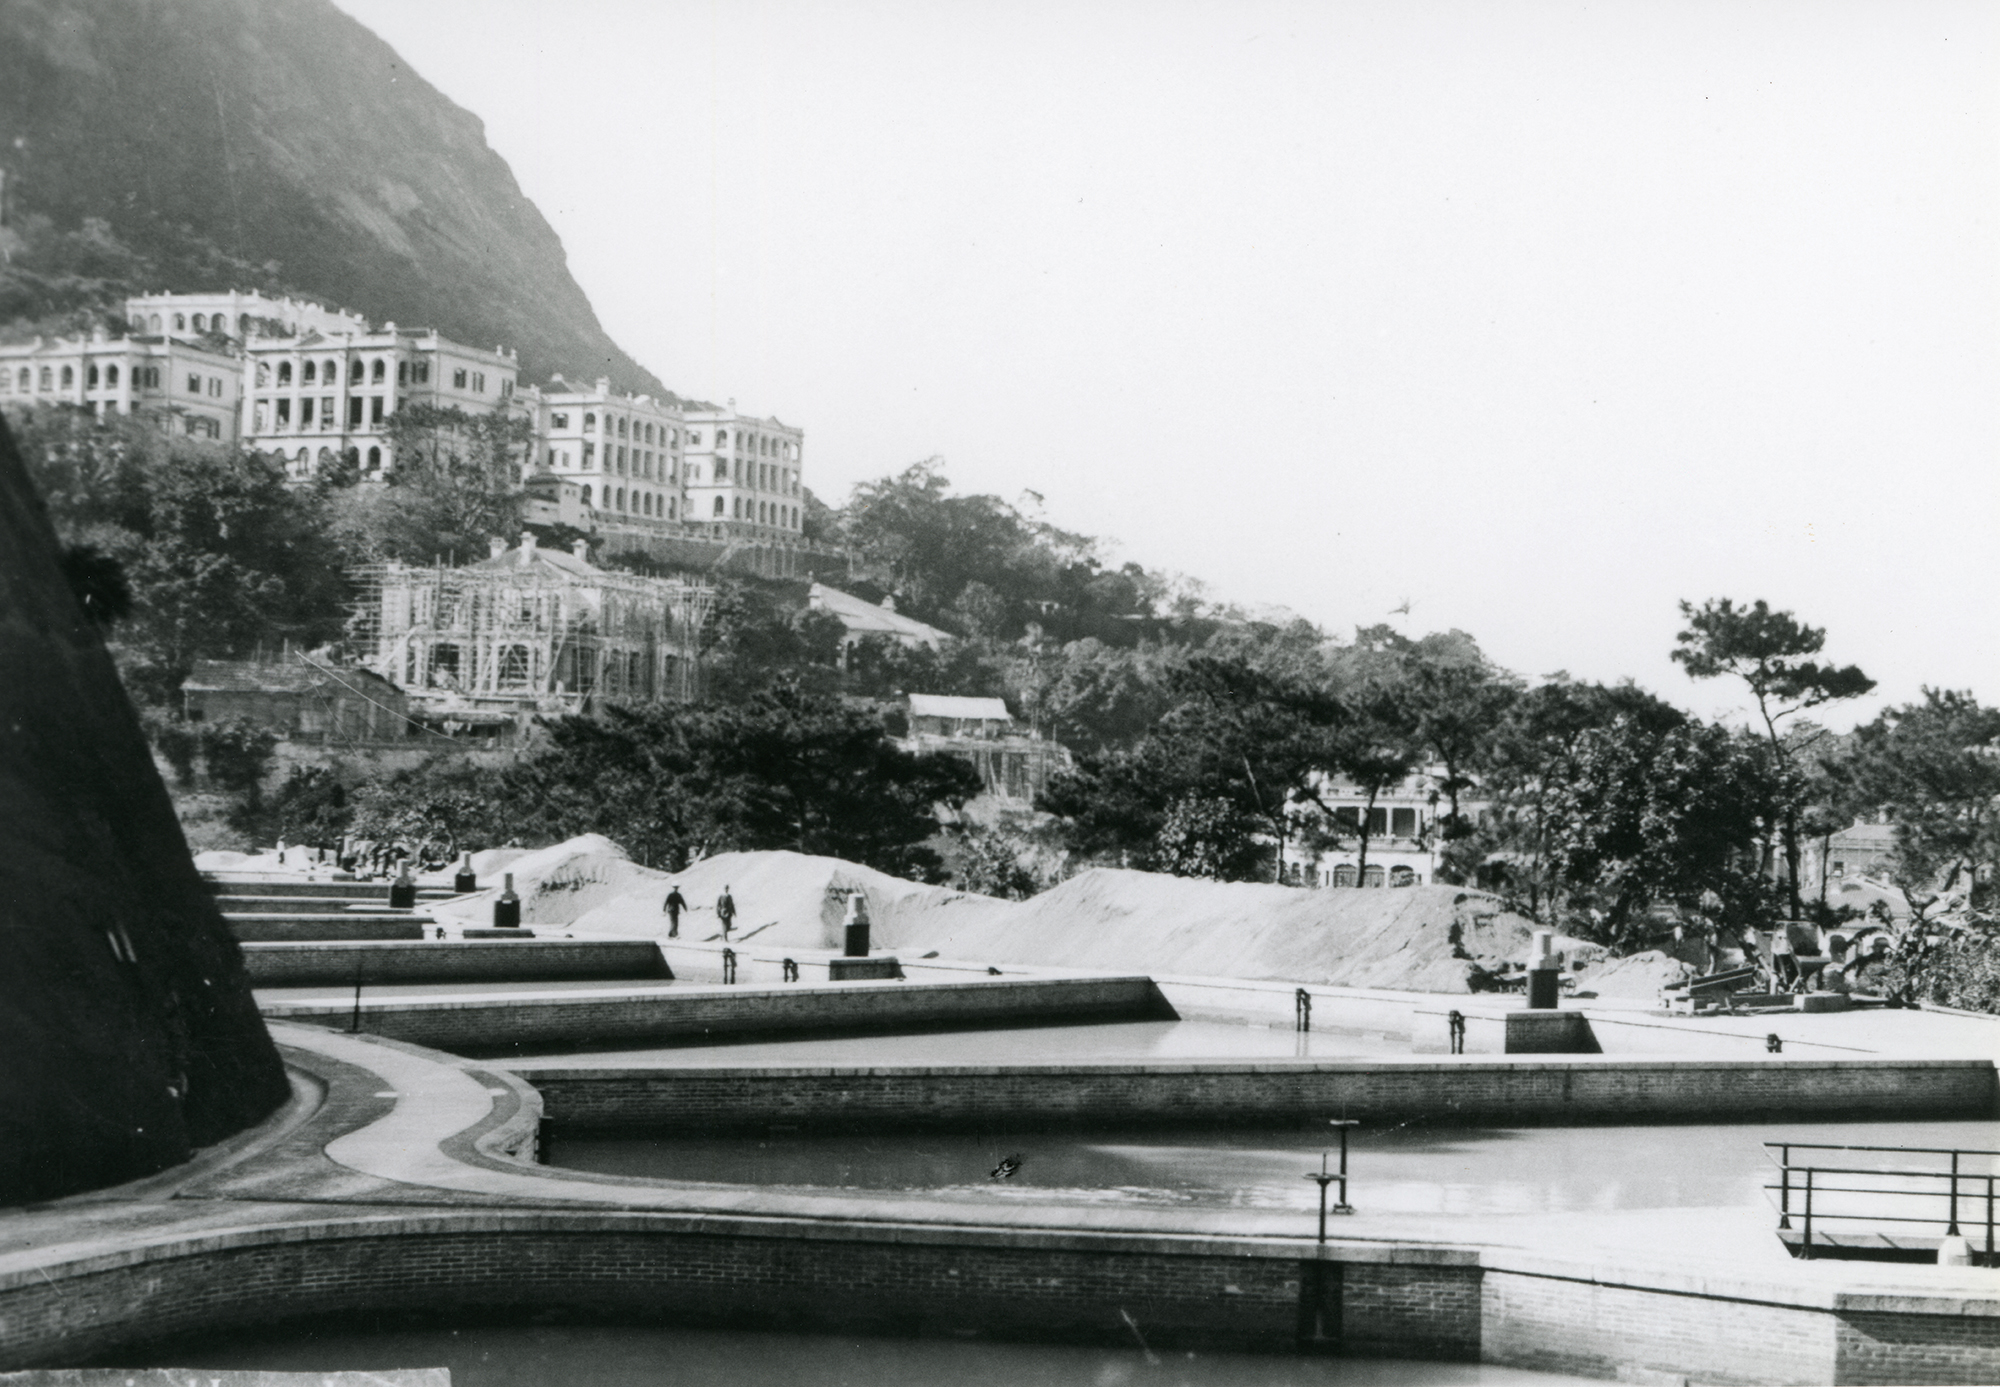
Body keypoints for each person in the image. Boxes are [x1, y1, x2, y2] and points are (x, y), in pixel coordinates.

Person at [1770, 920, 1798, 989]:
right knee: (1782, 965)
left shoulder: (1782, 934)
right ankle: (1785, 982)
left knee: (1789, 966)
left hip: (1785, 952)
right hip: (1780, 952)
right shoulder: (1779, 935)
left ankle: (1789, 981)